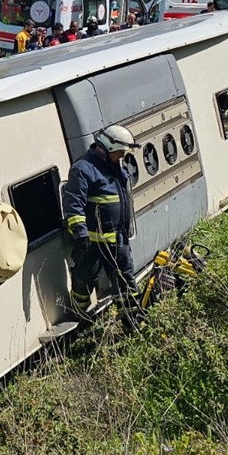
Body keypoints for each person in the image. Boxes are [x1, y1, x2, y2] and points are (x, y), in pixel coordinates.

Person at [60, 125, 144, 332]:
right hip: (92, 245)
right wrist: (80, 234)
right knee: (83, 283)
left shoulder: (115, 166)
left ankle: (133, 324)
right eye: (121, 152)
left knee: (126, 284)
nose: (123, 157)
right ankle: (81, 324)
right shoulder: (83, 169)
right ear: (107, 148)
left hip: (118, 241)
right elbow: (73, 204)